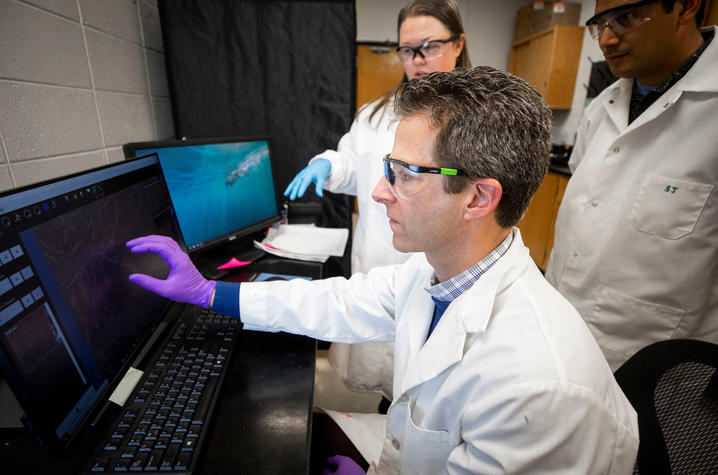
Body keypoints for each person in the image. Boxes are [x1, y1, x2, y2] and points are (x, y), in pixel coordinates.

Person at [127, 67, 639, 474]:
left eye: (404, 174)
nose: (377, 192)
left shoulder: (539, 388)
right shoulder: (439, 273)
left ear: (479, 197)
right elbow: (343, 301)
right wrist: (210, 294)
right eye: (385, 168)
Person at [285, 0, 471, 401]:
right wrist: (328, 165)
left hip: (445, 273)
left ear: (458, 45)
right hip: (379, 259)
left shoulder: (479, 117)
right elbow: (354, 163)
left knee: (432, 390)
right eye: (408, 50)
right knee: (387, 378)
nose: (418, 60)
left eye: (430, 46)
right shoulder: (375, 114)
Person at [545, 0, 717, 370]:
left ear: (686, 7)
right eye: (601, 23)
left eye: (625, 18)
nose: (606, 39)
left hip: (659, 371)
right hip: (561, 338)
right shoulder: (601, 108)